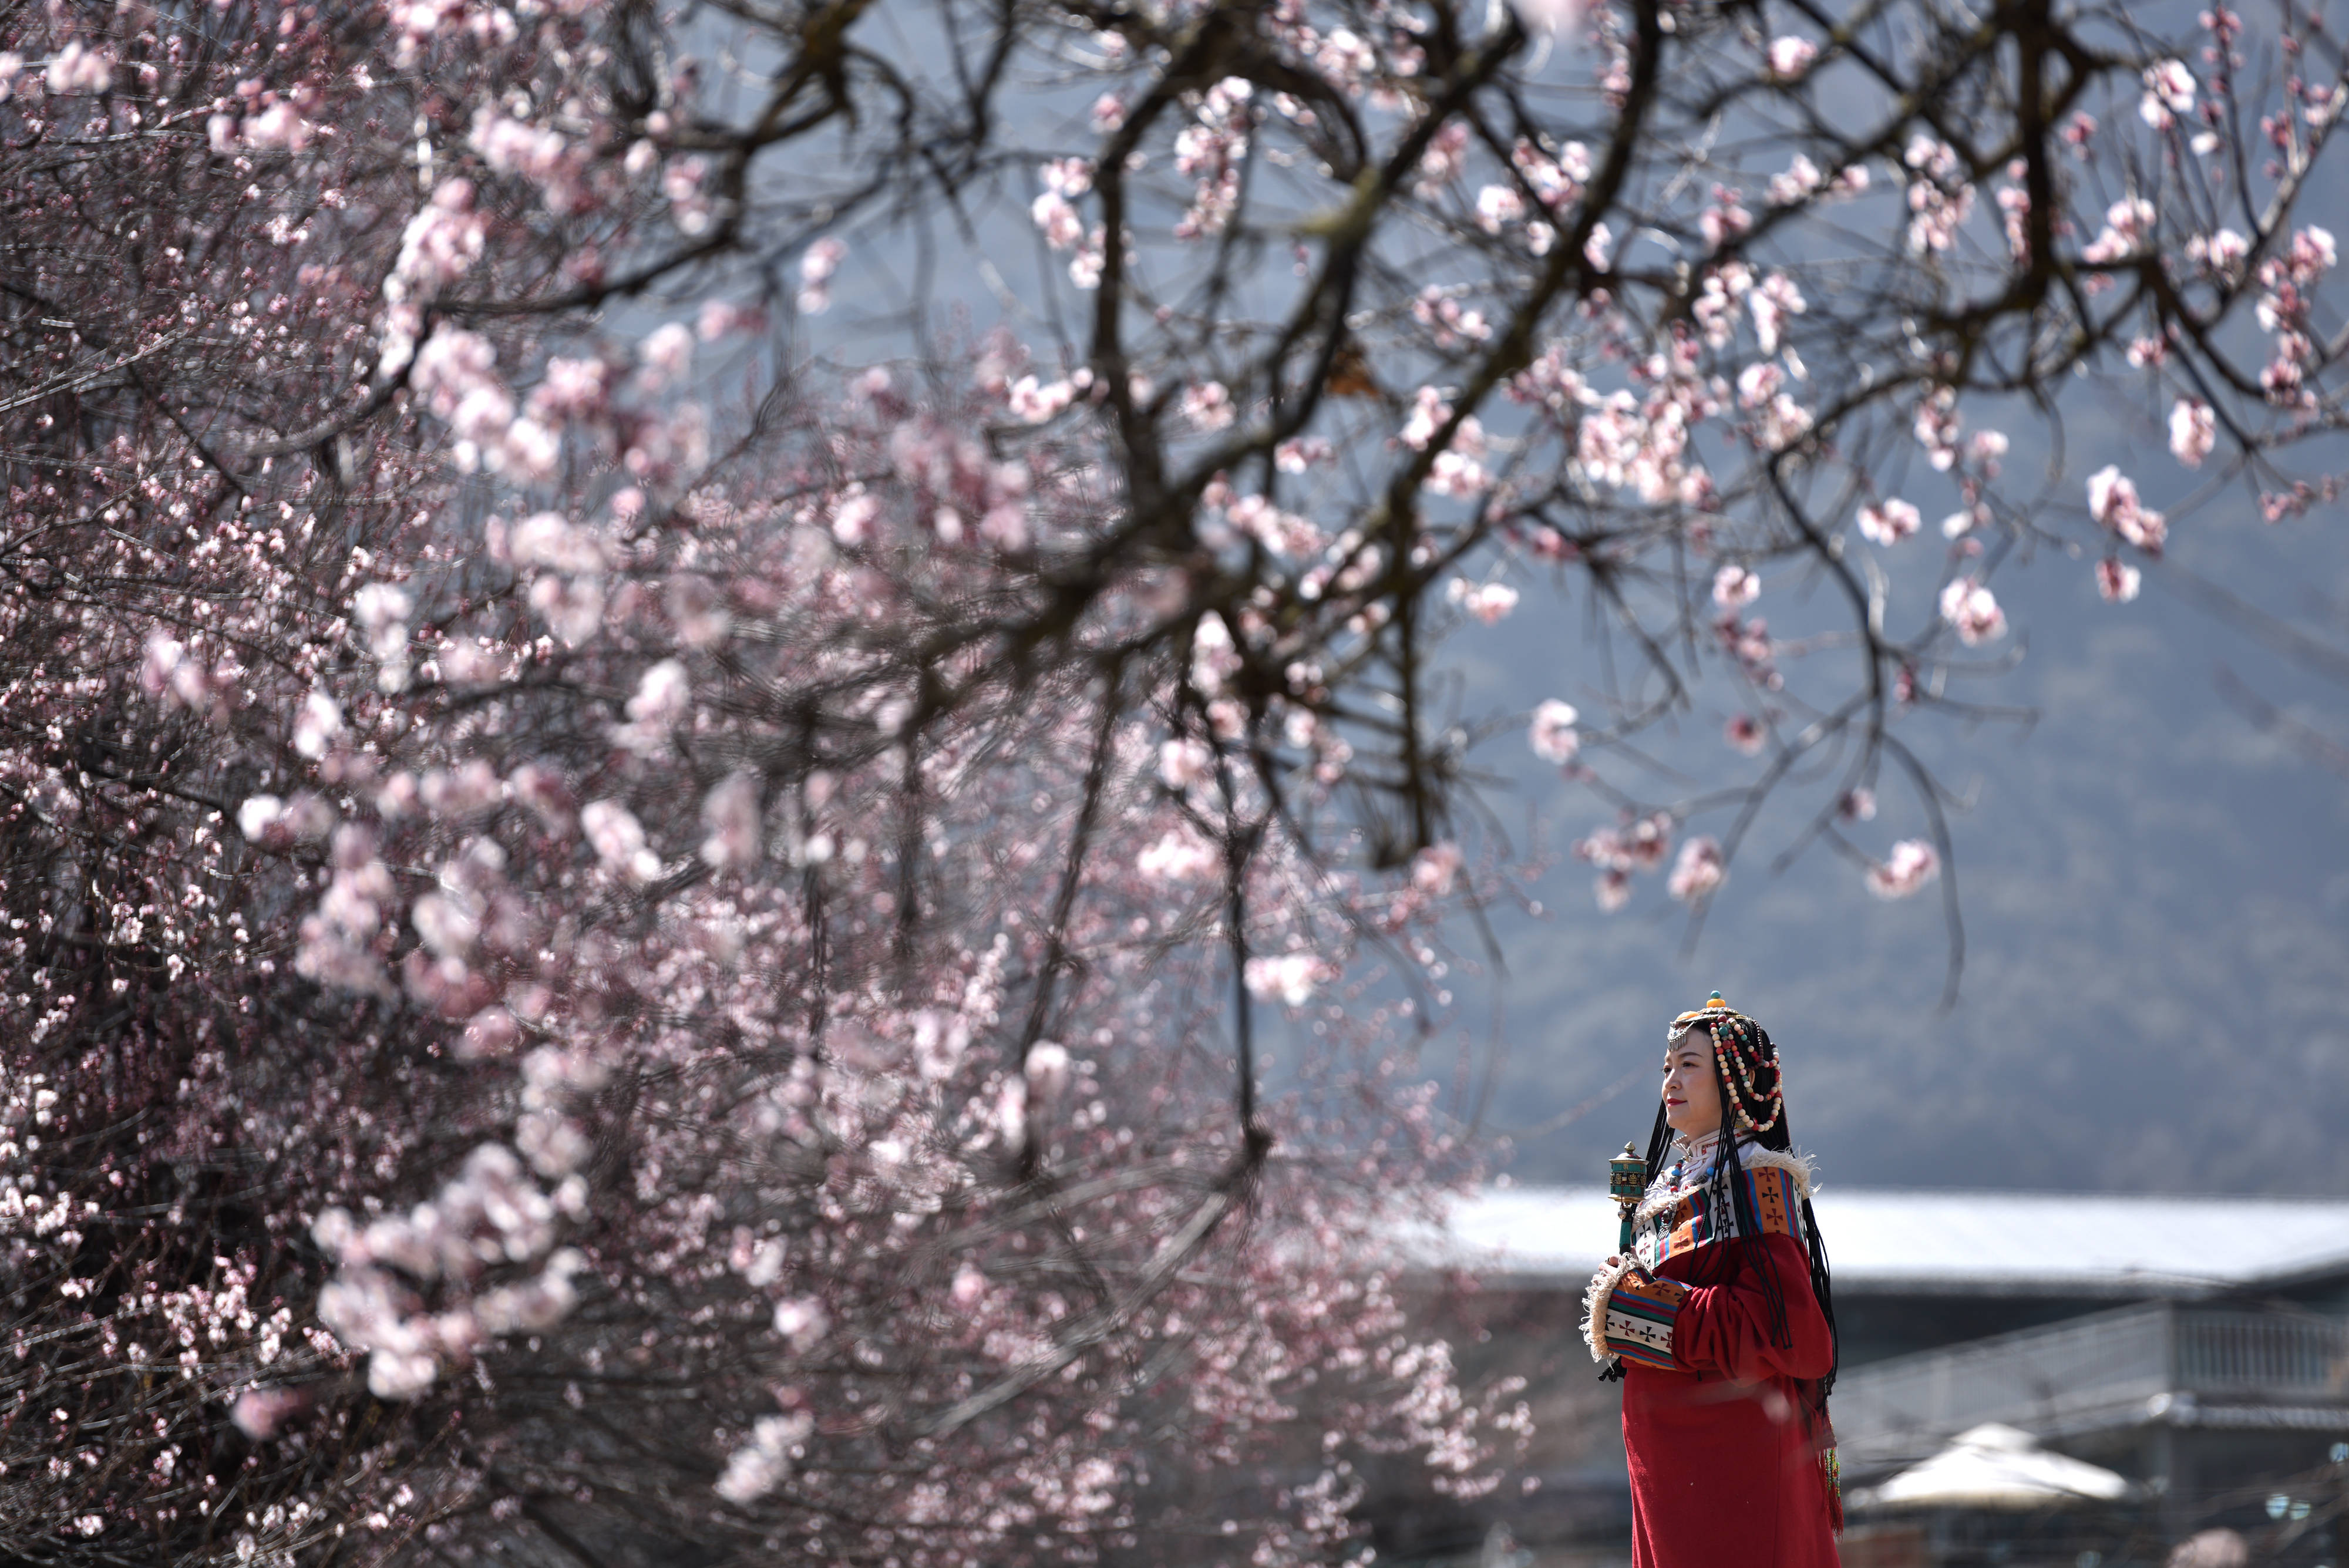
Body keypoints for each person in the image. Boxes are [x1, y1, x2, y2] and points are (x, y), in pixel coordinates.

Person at [1582, 992, 1842, 1568]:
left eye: (1689, 1065)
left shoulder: (1756, 1187)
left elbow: (1795, 1334)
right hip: (1675, 1462)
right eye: (1666, 1067)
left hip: (1731, 1462)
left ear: (1735, 1082)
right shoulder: (1673, 1188)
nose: (1670, 1080)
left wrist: (1647, 1308)